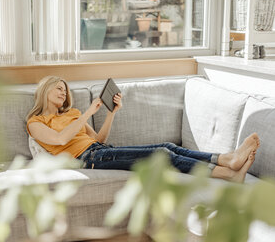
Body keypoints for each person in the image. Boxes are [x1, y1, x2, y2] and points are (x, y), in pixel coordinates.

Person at [27, 76, 260, 183]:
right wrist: (89, 111)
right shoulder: (35, 122)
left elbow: (98, 138)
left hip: (99, 150)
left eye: (65, 90)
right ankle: (228, 172)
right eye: (58, 88)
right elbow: (58, 140)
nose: (63, 93)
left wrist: (111, 113)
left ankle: (227, 159)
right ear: (44, 90)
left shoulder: (72, 114)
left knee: (168, 147)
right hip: (87, 159)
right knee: (163, 156)